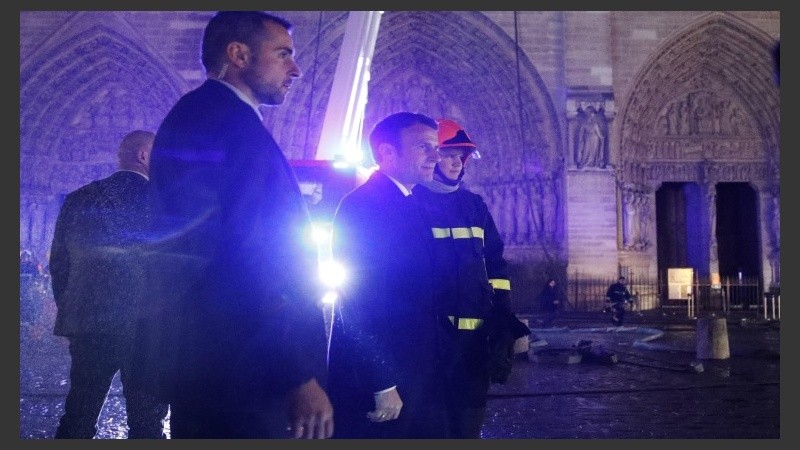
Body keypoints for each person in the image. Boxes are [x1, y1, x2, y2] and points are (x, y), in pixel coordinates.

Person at [140, 11, 333, 439]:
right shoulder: (220, 123)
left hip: (227, 364)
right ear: (238, 54)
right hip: (240, 370)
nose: (296, 69)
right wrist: (298, 373)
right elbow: (245, 259)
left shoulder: (214, 117)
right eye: (283, 54)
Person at [326, 112, 449, 438]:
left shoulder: (408, 201)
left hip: (412, 369)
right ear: (387, 153)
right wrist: (380, 381)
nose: (436, 157)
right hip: (384, 379)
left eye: (435, 147)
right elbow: (356, 301)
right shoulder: (364, 207)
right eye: (424, 147)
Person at [413, 118, 529, 438]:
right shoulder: (412, 204)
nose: (457, 162)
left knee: (469, 425)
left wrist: (503, 316)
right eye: (450, 154)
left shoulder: (474, 205)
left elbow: (495, 263)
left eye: (462, 156)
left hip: (474, 342)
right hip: (432, 341)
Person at [48, 130, 169, 439]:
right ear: (144, 156)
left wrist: (72, 308)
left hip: (89, 324)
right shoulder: (163, 202)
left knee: (78, 414)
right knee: (147, 423)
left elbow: (59, 264)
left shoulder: (79, 197)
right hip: (148, 329)